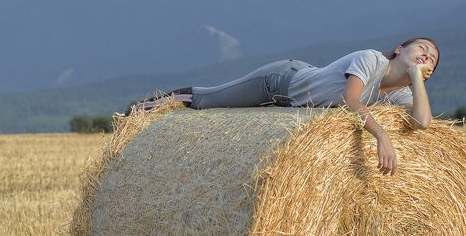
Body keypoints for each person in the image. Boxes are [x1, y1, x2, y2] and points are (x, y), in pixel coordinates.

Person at [125, 38, 439, 176]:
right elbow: (350, 99)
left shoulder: (396, 95)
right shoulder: (372, 59)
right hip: (281, 82)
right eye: (422, 49)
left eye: (432, 60)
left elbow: (421, 123)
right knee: (210, 100)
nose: (426, 55)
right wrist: (381, 136)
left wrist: (416, 79)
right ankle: (144, 107)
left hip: (293, 107)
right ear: (399, 49)